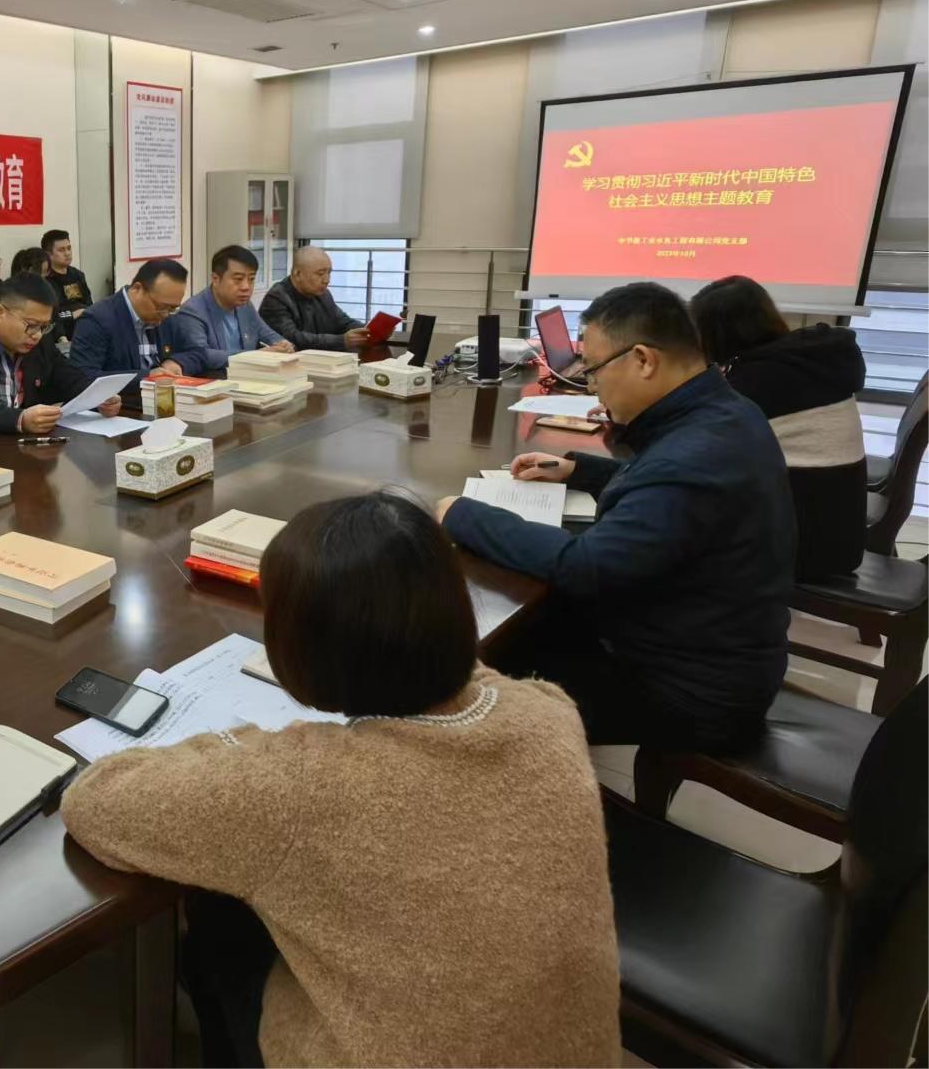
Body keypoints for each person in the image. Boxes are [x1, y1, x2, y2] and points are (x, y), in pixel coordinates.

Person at [62, 491, 620, 1068]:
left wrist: (248, 749)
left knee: (218, 909)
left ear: (299, 651)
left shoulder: (297, 786)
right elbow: (475, 680)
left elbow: (96, 802)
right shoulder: (549, 712)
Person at [439, 282, 794, 752]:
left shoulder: (692, 456)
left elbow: (587, 566)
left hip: (684, 690)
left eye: (594, 371)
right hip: (706, 646)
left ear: (643, 360)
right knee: (521, 625)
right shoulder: (725, 411)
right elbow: (661, 485)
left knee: (463, 678)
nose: (592, 386)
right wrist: (581, 470)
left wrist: (463, 514)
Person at [690, 275, 866, 580]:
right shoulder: (802, 359)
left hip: (805, 549)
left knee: (677, 510)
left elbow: (694, 444)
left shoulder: (761, 379)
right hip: (838, 532)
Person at [0, 274, 120, 434]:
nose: (37, 335)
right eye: (31, 325)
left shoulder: (38, 341)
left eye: (44, 327)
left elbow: (68, 377)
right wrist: (18, 419)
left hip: (29, 447)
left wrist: (100, 397)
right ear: (0, 312)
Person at [164, 245, 292, 375]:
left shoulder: (245, 305)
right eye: (238, 279)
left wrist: (282, 344)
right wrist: (255, 356)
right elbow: (202, 355)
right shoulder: (193, 311)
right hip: (215, 380)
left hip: (247, 376)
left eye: (251, 279)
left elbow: (266, 332)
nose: (246, 287)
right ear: (216, 279)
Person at [68, 259, 189, 394]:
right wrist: (146, 377)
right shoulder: (97, 320)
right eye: (161, 307)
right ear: (137, 289)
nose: (166, 314)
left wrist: (176, 361)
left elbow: (196, 351)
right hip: (121, 403)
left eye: (172, 308)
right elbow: (83, 377)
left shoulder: (167, 315)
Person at [258, 247, 370, 353]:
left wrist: (368, 330)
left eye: (329, 273)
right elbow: (293, 339)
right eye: (320, 274)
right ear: (297, 274)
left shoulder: (323, 294)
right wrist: (341, 341)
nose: (326, 280)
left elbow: (342, 322)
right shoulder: (276, 298)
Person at [42, 228, 92, 341]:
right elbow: (49, 317)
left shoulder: (77, 275)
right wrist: (72, 314)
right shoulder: (45, 280)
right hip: (59, 334)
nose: (67, 253)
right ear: (48, 254)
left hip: (84, 330)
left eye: (69, 248)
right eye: (61, 250)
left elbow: (89, 305)